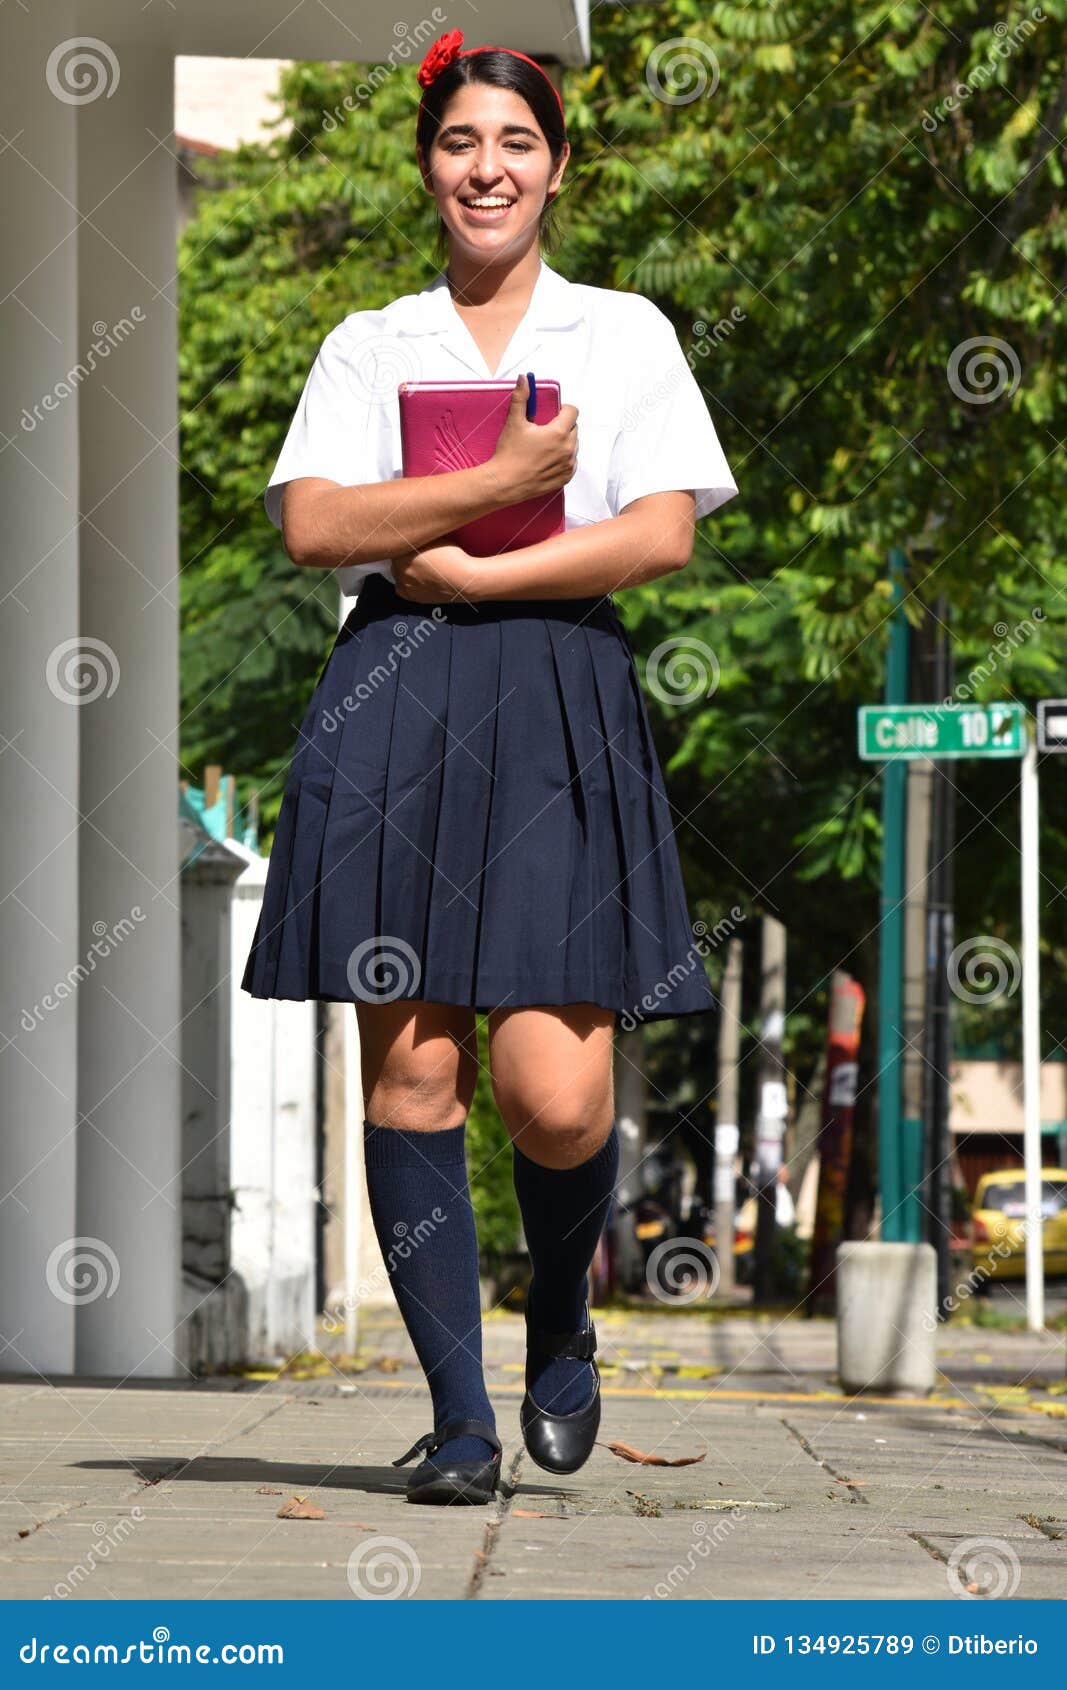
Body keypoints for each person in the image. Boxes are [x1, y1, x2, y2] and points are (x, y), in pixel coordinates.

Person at [241, 27, 739, 1506]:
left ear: (558, 168)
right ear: (426, 166)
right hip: (395, 690)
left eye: (516, 144)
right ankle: (459, 1418)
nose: (488, 167)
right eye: (461, 142)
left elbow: (660, 533)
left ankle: (564, 1315)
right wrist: (484, 495)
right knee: (417, 1073)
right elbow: (317, 527)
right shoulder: (367, 341)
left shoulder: (623, 333)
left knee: (562, 1097)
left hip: (554, 693)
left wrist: (479, 563)